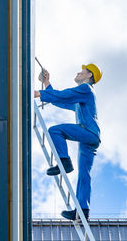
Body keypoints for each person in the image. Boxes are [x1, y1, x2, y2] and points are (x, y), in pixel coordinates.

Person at [34, 63, 102, 220]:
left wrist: (39, 93)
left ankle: (64, 162)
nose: (78, 73)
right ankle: (82, 211)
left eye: (82, 71)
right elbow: (60, 100)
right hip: (91, 138)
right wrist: (46, 83)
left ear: (89, 75)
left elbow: (65, 94)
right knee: (84, 175)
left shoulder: (86, 89)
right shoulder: (82, 97)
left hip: (88, 132)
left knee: (55, 130)